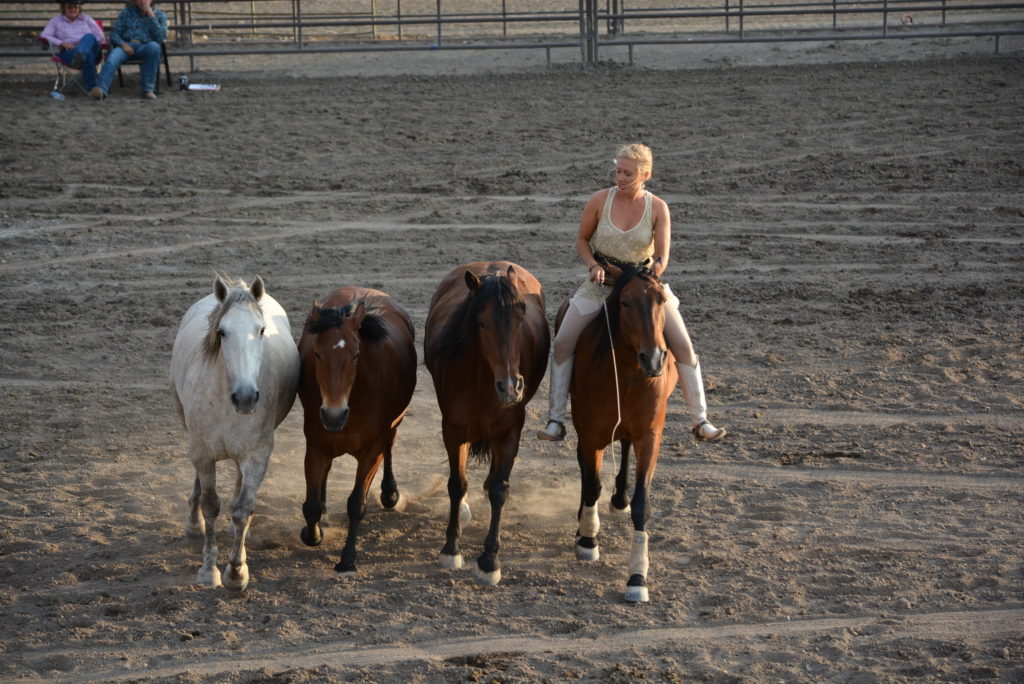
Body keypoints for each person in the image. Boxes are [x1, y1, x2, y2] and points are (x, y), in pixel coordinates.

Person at [537, 143, 727, 442]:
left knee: (684, 347)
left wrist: (649, 276)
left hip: (642, 287)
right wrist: (592, 266)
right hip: (601, 285)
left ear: (645, 175)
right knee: (563, 342)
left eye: (628, 173)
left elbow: (662, 257)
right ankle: (556, 419)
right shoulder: (600, 200)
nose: (621, 177)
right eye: (618, 171)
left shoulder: (658, 208)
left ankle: (700, 419)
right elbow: (582, 240)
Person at [90, 0, 167, 100]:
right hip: (126, 45)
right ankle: (101, 89)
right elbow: (114, 34)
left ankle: (148, 90)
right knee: (113, 57)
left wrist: (151, 14)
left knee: (154, 46)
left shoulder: (160, 16)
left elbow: (160, 37)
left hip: (146, 46)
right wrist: (123, 44)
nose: (142, 1)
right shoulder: (127, 13)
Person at [40, 2, 104, 93]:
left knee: (89, 37)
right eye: (69, 7)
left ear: (79, 8)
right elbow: (45, 35)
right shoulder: (55, 21)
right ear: (63, 8)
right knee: (87, 54)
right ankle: (92, 89)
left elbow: (100, 37)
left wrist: (83, 45)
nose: (73, 10)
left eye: (75, 7)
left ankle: (80, 53)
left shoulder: (87, 19)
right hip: (69, 53)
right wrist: (61, 42)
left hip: (92, 51)